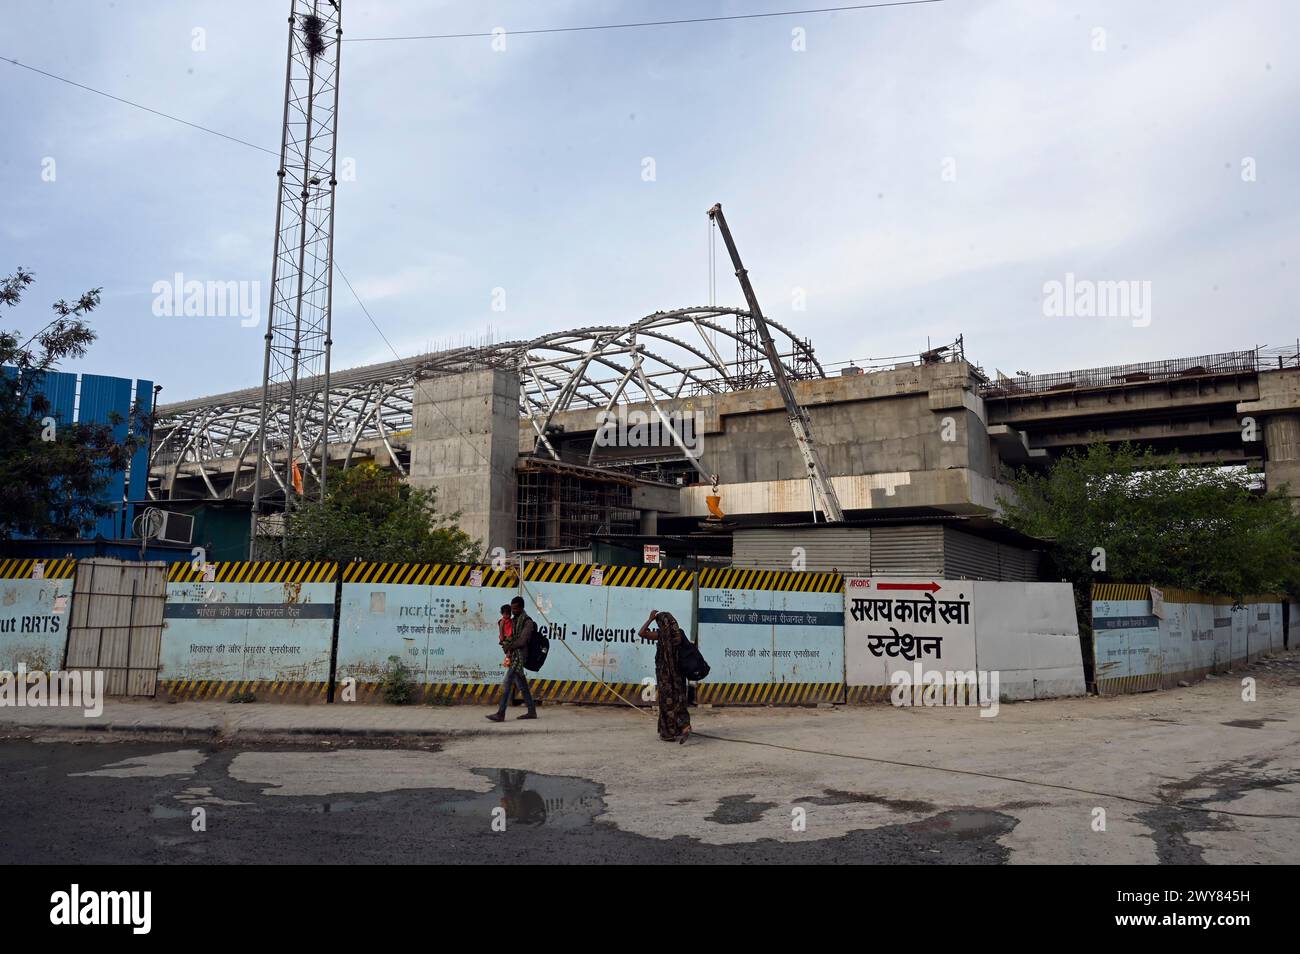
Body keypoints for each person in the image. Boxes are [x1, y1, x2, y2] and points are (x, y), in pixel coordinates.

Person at [639, 608, 691, 743]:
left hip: (665, 677)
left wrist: (650, 619)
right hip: (679, 675)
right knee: (679, 700)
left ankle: (668, 733)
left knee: (667, 703)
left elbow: (641, 633)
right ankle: (684, 727)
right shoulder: (679, 635)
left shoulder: (660, 635)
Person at [487, 596, 537, 722]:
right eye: (512, 608)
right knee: (522, 685)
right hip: (514, 655)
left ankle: (501, 713)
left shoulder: (527, 622)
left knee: (508, 682)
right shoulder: (514, 620)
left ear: (521, 607)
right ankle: (531, 711)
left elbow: (522, 641)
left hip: (520, 657)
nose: (513, 611)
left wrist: (509, 646)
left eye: (515, 608)